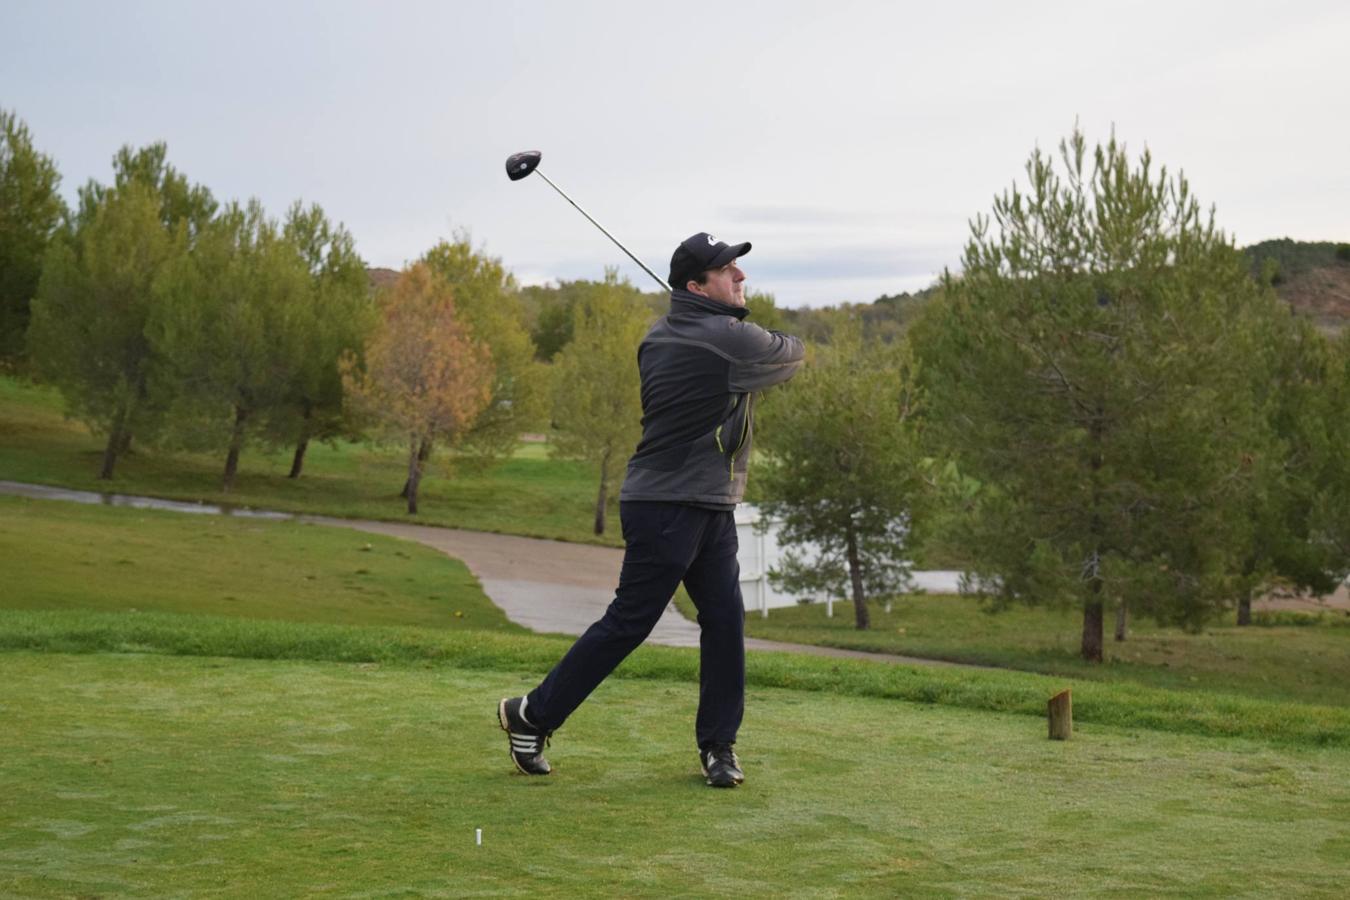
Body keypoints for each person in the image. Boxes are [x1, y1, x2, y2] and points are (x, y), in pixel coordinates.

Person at [498, 232, 805, 788]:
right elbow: (790, 352)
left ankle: (719, 747)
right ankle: (532, 714)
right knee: (630, 622)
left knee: (724, 620)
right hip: (669, 504)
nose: (740, 278)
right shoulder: (720, 341)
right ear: (696, 286)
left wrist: (733, 317)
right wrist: (742, 323)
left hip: (705, 501)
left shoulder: (664, 333)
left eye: (738, 269)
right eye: (727, 272)